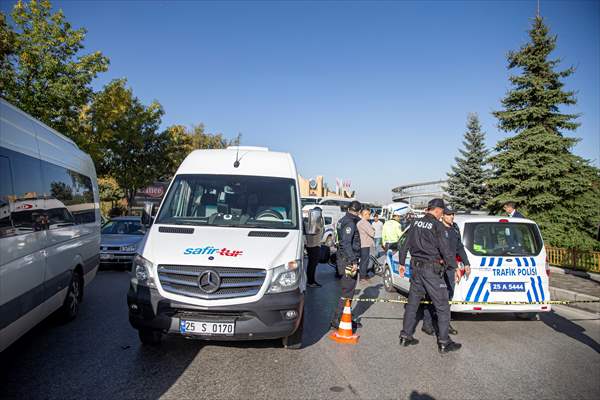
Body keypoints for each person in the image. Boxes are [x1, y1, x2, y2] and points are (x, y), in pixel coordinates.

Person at [398, 198, 462, 354]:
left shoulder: (414, 223)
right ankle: (444, 342)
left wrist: (401, 263)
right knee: (443, 306)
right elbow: (445, 250)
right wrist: (455, 267)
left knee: (413, 303)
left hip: (416, 268)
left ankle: (405, 336)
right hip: (431, 270)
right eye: (442, 211)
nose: (442, 214)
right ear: (438, 210)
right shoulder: (437, 226)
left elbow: (404, 245)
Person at [421, 205, 471, 336]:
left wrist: (466, 263)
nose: (452, 217)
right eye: (449, 214)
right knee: (431, 296)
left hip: (450, 268)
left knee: (448, 296)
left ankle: (445, 324)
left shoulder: (455, 228)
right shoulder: (436, 228)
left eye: (453, 214)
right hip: (437, 268)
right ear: (442, 215)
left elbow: (459, 247)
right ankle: (427, 324)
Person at [330, 200, 362, 330]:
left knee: (348, 291)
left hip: (343, 258)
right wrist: (354, 261)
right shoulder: (350, 222)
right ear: (358, 211)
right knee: (347, 292)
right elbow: (346, 243)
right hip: (347, 260)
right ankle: (337, 320)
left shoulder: (343, 220)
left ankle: (346, 317)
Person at [305, 207, 324, 288]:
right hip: (313, 245)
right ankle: (310, 282)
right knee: (312, 265)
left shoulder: (309, 221)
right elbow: (317, 230)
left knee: (312, 264)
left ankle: (311, 280)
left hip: (314, 245)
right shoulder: (312, 222)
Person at [357, 208, 375, 281]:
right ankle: (362, 276)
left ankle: (363, 275)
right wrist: (373, 229)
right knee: (365, 261)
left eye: (369, 214)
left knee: (363, 261)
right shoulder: (364, 223)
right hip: (365, 244)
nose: (368, 215)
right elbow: (372, 233)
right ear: (362, 215)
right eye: (366, 214)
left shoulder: (360, 222)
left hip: (362, 243)